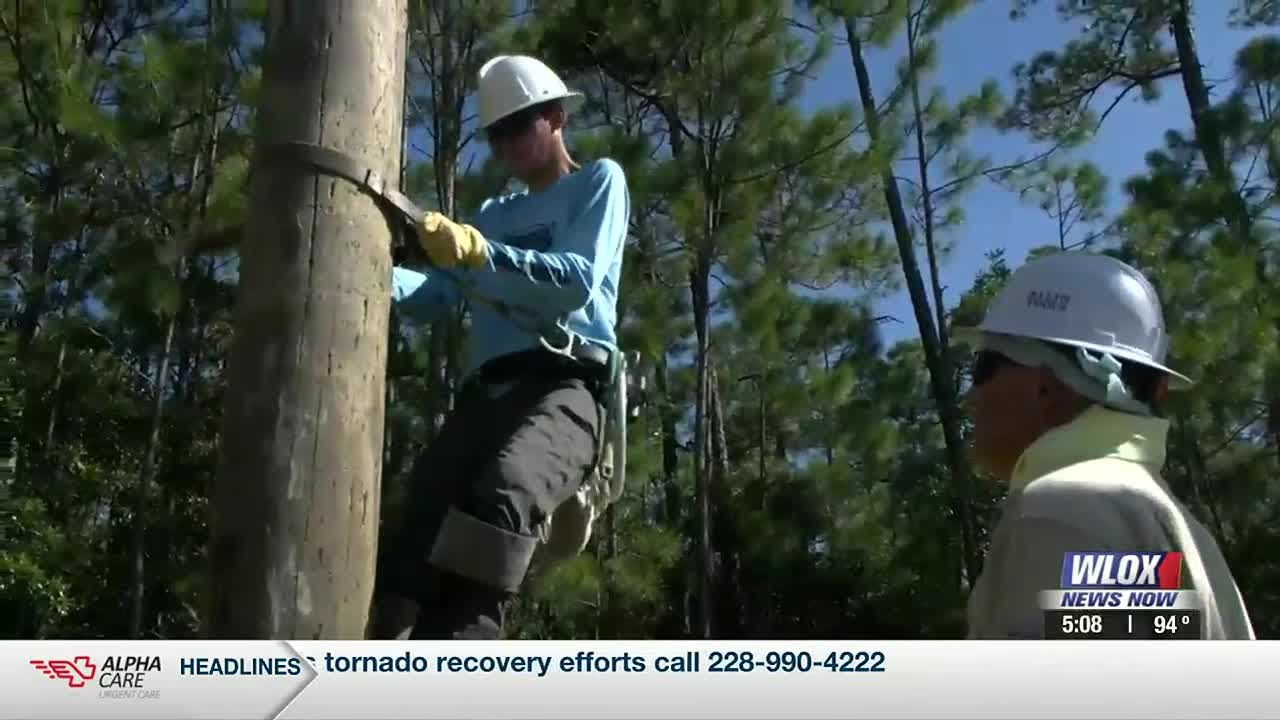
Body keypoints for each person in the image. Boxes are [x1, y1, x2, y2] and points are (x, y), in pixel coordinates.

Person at [372, 54, 631, 639]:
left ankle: (466, 656)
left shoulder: (598, 182)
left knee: (505, 491)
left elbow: (575, 282)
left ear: (557, 116)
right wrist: (364, 267)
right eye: (497, 134)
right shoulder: (494, 214)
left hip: (564, 386)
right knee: (420, 522)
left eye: (519, 125)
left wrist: (479, 251)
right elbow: (441, 295)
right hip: (485, 395)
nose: (507, 143)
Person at [953, 251, 1255, 640]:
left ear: (1048, 385)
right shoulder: (1178, 528)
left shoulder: (1060, 507)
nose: (971, 396)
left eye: (983, 367)